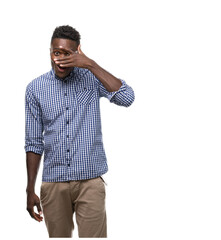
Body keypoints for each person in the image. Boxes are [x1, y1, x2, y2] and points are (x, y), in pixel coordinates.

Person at [25, 25, 135, 238]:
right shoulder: (35, 88)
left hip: (90, 181)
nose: (60, 59)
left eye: (67, 54)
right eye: (57, 52)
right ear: (50, 51)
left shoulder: (92, 78)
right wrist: (30, 189)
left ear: (77, 52)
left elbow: (127, 98)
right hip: (54, 182)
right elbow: (33, 143)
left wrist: (91, 65)